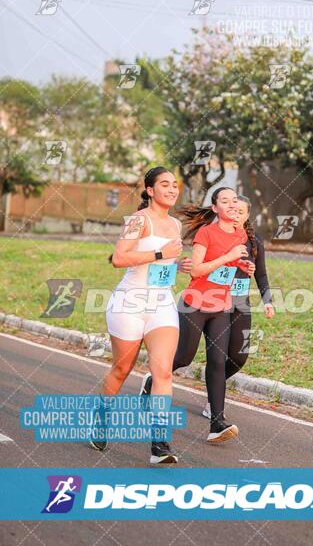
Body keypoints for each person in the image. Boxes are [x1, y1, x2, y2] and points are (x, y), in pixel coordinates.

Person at [89, 166, 192, 464]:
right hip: (129, 304)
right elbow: (119, 258)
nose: (172, 189)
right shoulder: (137, 221)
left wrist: (177, 265)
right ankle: (102, 416)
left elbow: (164, 266)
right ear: (149, 190)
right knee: (121, 371)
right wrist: (160, 254)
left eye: (175, 185)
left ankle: (159, 445)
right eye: (164, 184)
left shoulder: (175, 224)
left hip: (161, 303)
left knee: (163, 372)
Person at [140, 187, 253, 443]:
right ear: (215, 208)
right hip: (195, 304)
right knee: (184, 357)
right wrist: (230, 256)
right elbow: (197, 271)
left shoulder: (240, 233)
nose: (231, 204)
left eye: (234, 200)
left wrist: (242, 265)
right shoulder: (207, 232)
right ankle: (152, 379)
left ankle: (217, 423)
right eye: (225, 201)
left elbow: (230, 266)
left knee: (217, 362)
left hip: (220, 307)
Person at [202, 194, 275, 419]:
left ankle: (215, 390)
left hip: (240, 302)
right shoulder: (216, 236)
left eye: (241, 212)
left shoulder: (254, 242)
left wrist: (268, 301)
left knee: (239, 356)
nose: (236, 215)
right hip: (215, 301)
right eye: (233, 211)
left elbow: (261, 274)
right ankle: (215, 404)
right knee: (215, 357)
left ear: (247, 216)